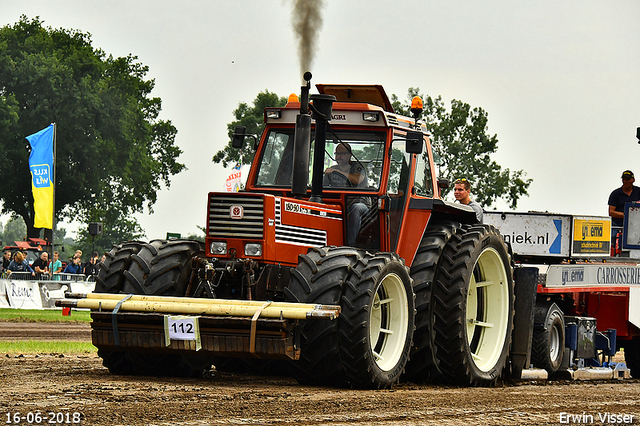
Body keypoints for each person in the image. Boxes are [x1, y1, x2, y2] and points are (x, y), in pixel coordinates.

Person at [323, 142, 370, 246]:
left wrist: (337, 172)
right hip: (341, 204)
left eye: (342, 153)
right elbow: (322, 185)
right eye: (336, 153)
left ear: (349, 155)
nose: (338, 156)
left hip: (362, 205)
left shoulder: (357, 167)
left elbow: (356, 180)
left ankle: (350, 246)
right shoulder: (333, 169)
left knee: (356, 208)